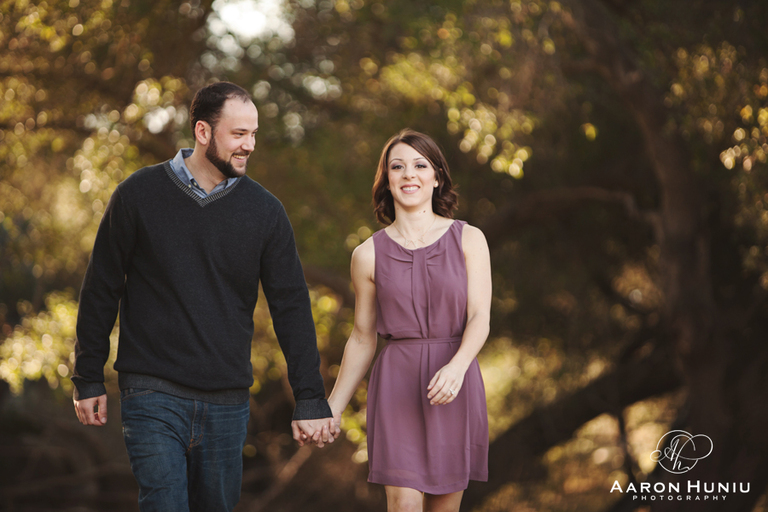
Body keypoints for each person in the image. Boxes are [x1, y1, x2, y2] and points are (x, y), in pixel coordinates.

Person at [72, 81, 338, 512]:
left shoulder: (266, 212)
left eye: (253, 134)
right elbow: (101, 286)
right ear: (202, 132)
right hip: (151, 391)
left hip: (227, 400)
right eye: (238, 134)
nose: (249, 145)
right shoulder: (138, 195)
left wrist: (309, 396)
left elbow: (290, 305)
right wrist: (87, 376)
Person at [327, 129, 491, 511]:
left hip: (454, 383)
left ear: (437, 177)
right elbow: (363, 337)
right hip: (396, 387)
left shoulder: (470, 239)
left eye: (420, 165)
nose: (408, 174)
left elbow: (481, 317)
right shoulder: (366, 255)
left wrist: (458, 367)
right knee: (403, 504)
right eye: (397, 167)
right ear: (386, 179)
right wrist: (332, 407)